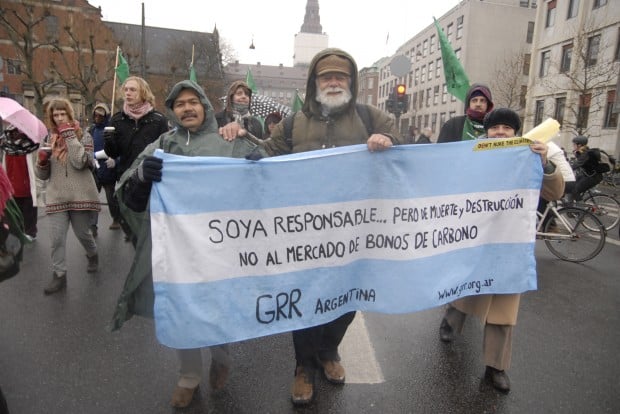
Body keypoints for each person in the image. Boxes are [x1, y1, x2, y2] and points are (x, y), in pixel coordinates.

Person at [220, 47, 400, 406]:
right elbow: (268, 153)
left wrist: (390, 142)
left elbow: (411, 156)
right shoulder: (293, 124)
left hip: (356, 231)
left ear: (351, 81)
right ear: (314, 82)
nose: (333, 82)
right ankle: (303, 365)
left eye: (340, 76)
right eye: (326, 77)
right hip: (304, 230)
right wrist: (240, 138)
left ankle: (329, 350)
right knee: (303, 298)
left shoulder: (373, 116)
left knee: (349, 299)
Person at [112, 80, 267, 409]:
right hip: (179, 252)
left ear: (205, 107)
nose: (186, 108)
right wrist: (141, 178)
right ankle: (188, 375)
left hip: (222, 248)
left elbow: (266, 178)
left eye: (192, 102)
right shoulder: (163, 144)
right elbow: (128, 192)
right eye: (179, 104)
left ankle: (221, 357)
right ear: (173, 111)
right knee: (183, 309)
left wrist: (257, 160)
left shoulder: (227, 141)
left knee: (219, 306)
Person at [437, 108, 564, 392]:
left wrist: (545, 165)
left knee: (504, 309)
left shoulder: (531, 155)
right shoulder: (473, 154)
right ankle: (451, 319)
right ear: (487, 131)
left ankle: (496, 366)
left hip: (510, 243)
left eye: (508, 128)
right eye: (495, 128)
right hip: (476, 239)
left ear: (516, 133)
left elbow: (555, 193)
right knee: (467, 289)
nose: (501, 132)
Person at [34, 98, 100, 295]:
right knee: (56, 239)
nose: (60, 117)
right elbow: (42, 176)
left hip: (80, 194)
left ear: (69, 114)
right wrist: (42, 162)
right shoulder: (48, 139)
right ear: (52, 118)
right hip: (57, 196)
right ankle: (59, 275)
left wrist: (70, 136)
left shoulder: (84, 136)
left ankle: (93, 254)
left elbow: (81, 162)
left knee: (83, 234)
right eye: (56, 115)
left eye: (63, 114)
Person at [103, 76, 169, 244]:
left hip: (151, 178)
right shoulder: (117, 120)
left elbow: (165, 149)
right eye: (126, 89)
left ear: (143, 93)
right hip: (127, 177)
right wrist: (109, 141)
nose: (128, 93)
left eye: (133, 90)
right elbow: (112, 153)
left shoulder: (158, 120)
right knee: (131, 223)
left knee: (151, 226)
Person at [0, 124, 40, 239]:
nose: (14, 136)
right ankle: (17, 232)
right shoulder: (5, 147)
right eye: (11, 133)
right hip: (11, 188)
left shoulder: (30, 146)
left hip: (27, 187)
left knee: (29, 214)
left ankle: (30, 233)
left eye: (16, 133)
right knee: (13, 214)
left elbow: (35, 166)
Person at [87, 103, 120, 236]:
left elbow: (119, 149)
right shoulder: (92, 130)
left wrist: (115, 160)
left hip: (108, 168)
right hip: (95, 168)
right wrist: (91, 157)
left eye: (100, 115)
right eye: (96, 115)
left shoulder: (112, 131)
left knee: (111, 198)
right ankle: (92, 225)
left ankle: (117, 219)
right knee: (93, 199)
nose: (97, 117)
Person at [568, 135, 603, 201]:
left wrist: (565, 170)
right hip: (587, 174)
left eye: (574, 144)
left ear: (579, 145)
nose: (573, 145)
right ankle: (569, 206)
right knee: (570, 186)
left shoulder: (585, 153)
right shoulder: (582, 151)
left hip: (593, 177)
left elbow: (576, 165)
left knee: (575, 190)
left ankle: (580, 209)